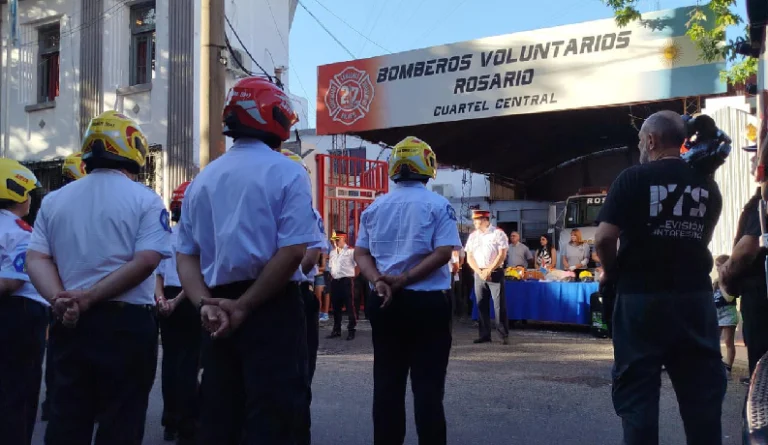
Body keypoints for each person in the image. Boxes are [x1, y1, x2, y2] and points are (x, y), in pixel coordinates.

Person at [176, 76, 319, 444]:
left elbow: (186, 255)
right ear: (274, 118)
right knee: (276, 414)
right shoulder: (288, 171)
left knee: (220, 412)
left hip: (216, 308)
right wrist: (245, 306)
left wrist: (204, 304)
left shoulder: (203, 180)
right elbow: (293, 251)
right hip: (270, 306)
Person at [27, 110, 171, 445]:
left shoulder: (54, 200)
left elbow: (36, 258)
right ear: (132, 147)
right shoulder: (145, 200)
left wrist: (59, 298)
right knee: (121, 420)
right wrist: (90, 297)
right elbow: (147, 259)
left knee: (67, 416)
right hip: (127, 324)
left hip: (69, 321)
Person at [594, 110, 725, 445]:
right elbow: (700, 239)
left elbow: (605, 238)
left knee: (637, 396)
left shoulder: (632, 179)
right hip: (694, 299)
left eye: (641, 140)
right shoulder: (709, 187)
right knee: (702, 399)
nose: (641, 145)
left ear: (651, 140)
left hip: (640, 298)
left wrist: (611, 271)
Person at [355, 136, 461, 445]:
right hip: (427, 303)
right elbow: (443, 253)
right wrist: (405, 279)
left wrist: (378, 281)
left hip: (383, 300)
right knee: (428, 389)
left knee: (387, 384)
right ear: (427, 166)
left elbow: (361, 253)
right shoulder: (438, 205)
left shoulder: (374, 207)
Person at [280, 147, 328, 445]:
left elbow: (311, 257)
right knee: (296, 366)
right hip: (290, 290)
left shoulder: (305, 210)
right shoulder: (303, 210)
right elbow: (308, 257)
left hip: (283, 290)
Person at [0, 159, 47, 445]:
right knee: (19, 392)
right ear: (18, 194)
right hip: (20, 315)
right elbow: (11, 281)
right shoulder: (21, 231)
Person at [40, 151, 88, 422]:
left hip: (57, 290)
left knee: (60, 352)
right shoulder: (88, 204)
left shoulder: (53, 202)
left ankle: (53, 403)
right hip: (89, 292)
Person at [154, 180, 200, 445]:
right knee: (189, 363)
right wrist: (179, 300)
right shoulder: (197, 236)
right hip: (188, 300)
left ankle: (169, 421)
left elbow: (158, 276)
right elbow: (194, 276)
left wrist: (162, 300)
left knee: (170, 363)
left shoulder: (166, 236)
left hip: (168, 301)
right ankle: (186, 424)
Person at [719, 143, 768, 380]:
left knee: (761, 370)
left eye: (757, 155)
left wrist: (725, 275)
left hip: (761, 295)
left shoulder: (764, 199)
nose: (752, 161)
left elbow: (749, 247)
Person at [465, 209, 510, 344]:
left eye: (476, 220)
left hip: (495, 272)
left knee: (498, 305)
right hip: (479, 273)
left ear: (484, 220)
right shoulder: (473, 236)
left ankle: (503, 334)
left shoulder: (498, 233)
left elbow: (502, 254)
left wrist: (490, 269)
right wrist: (479, 271)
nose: (474, 223)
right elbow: (469, 257)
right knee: (481, 304)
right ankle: (484, 334)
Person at [328, 230, 357, 340]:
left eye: (337, 240)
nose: (335, 242)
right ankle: (336, 330)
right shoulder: (332, 253)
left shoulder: (350, 252)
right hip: (335, 281)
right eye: (334, 240)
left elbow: (357, 267)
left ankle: (351, 330)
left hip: (346, 280)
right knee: (336, 307)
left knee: (350, 306)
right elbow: (331, 267)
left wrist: (351, 277)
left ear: (344, 239)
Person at [712, 254, 738, 378]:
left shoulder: (731, 280)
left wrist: (721, 284)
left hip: (728, 312)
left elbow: (729, 298)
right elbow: (713, 297)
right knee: (713, 339)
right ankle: (715, 363)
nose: (716, 269)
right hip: (717, 313)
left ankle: (728, 367)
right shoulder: (716, 282)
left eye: (718, 266)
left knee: (728, 341)